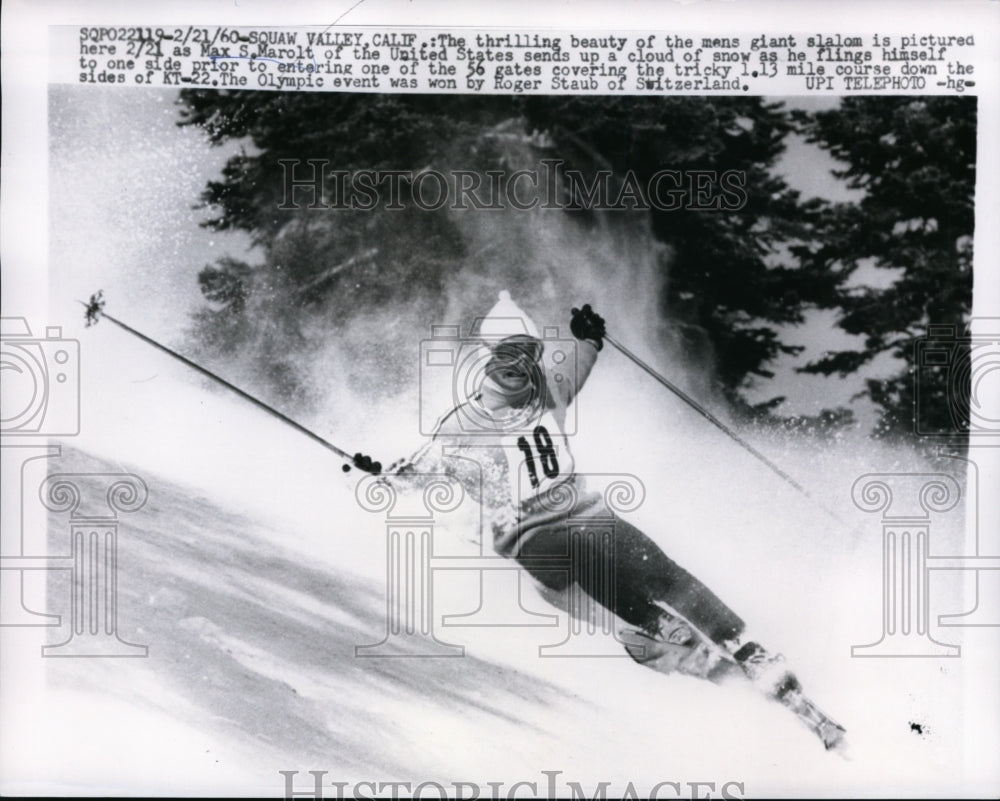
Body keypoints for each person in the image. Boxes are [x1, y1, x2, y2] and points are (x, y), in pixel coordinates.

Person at [357, 291, 844, 747]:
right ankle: (656, 623)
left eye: (525, 356)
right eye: (505, 357)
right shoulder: (461, 425)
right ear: (487, 359)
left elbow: (578, 360)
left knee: (656, 564)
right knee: (584, 549)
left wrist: (588, 336)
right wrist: (391, 477)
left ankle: (741, 644)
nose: (516, 368)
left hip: (586, 515)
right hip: (539, 547)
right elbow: (422, 472)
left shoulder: (549, 389)